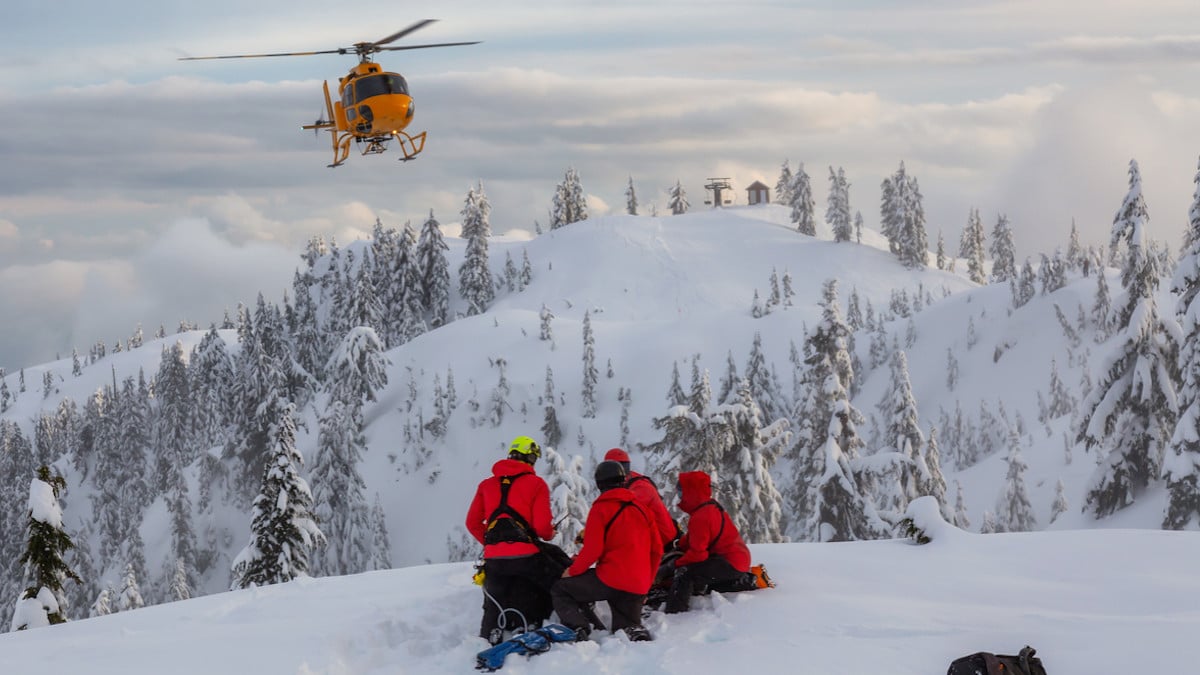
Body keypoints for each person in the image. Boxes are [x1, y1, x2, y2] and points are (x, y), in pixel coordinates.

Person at [552, 460, 662, 642]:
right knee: (626, 630)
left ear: (599, 483)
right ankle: (635, 635)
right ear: (623, 480)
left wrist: (571, 571)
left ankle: (579, 628)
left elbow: (593, 550)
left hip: (611, 579)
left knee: (561, 590)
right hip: (638, 585)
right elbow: (657, 551)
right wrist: (645, 586)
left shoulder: (600, 508)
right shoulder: (642, 509)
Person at [466, 435, 559, 645]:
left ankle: (488, 635)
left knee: (494, 600)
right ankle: (537, 622)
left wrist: (495, 545)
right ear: (531, 458)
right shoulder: (536, 484)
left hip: (494, 560)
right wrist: (550, 534)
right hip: (527, 556)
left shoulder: (486, 485)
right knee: (555, 583)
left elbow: (472, 522)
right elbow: (543, 528)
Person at [664, 470, 757, 614]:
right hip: (736, 559)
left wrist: (673, 565)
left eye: (681, 493)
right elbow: (696, 537)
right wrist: (679, 545)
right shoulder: (708, 507)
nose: (680, 497)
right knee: (698, 571)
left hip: (730, 562)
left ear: (691, 492)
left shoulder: (701, 516)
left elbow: (698, 555)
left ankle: (675, 612)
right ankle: (738, 582)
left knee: (685, 573)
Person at [603, 448, 680, 549]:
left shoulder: (641, 487)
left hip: (664, 543)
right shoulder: (626, 483)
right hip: (651, 543)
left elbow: (623, 514)